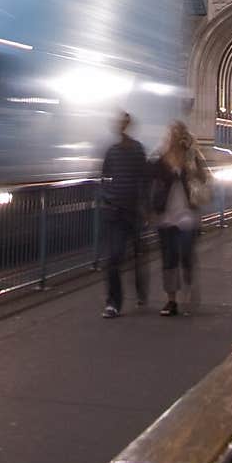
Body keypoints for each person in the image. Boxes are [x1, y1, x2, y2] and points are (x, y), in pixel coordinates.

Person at [149, 120, 211, 316]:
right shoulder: (161, 157)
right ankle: (171, 300)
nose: (173, 137)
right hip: (166, 216)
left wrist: (190, 158)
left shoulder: (192, 155)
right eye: (171, 134)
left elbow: (204, 177)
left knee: (185, 254)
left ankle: (189, 286)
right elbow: (151, 177)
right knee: (169, 259)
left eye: (177, 134)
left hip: (187, 215)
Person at [98, 111, 148, 318]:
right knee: (115, 257)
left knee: (136, 256)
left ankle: (139, 290)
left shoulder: (136, 150)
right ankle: (114, 303)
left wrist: (145, 206)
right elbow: (104, 177)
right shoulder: (113, 152)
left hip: (133, 211)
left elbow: (144, 179)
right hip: (117, 212)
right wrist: (108, 198)